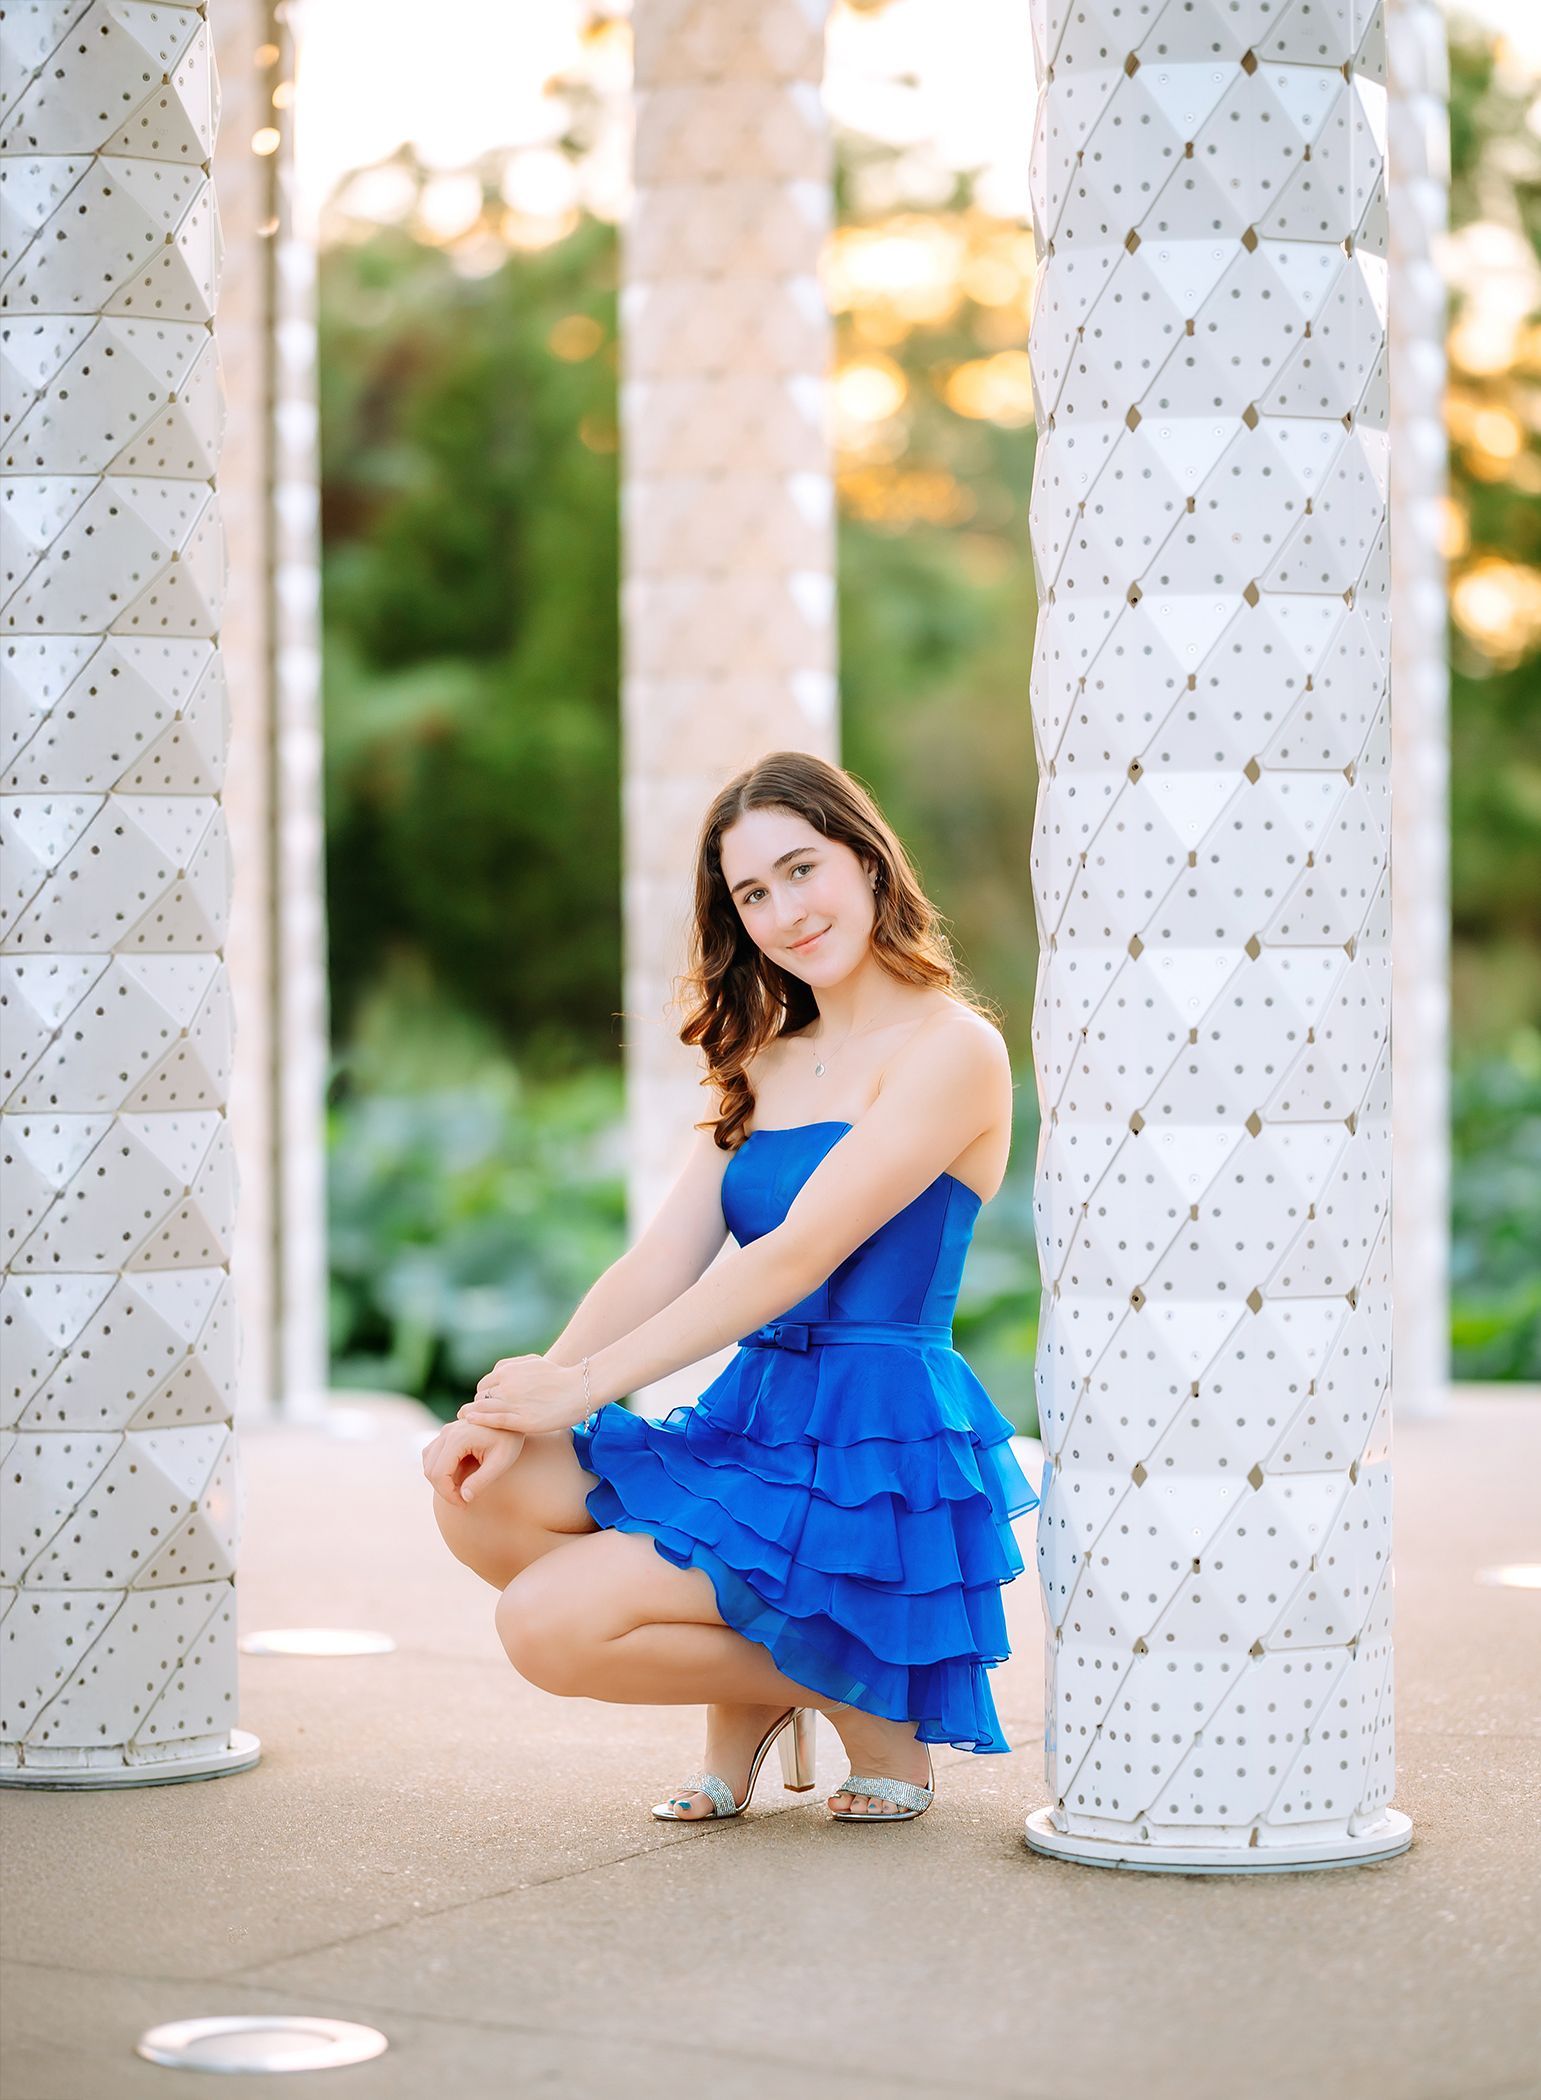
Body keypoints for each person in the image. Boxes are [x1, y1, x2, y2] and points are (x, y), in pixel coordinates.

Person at [422, 750, 1040, 1823]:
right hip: (755, 1415)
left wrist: (588, 1391)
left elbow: (795, 1255)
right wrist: (514, 1401)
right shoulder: (759, 1057)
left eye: (801, 870)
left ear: (866, 860)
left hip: (871, 1437)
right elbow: (659, 1261)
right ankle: (773, 1689)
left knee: (544, 1627)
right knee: (476, 1490)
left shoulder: (954, 1049)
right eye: (751, 894)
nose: (785, 912)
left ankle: (870, 1698)